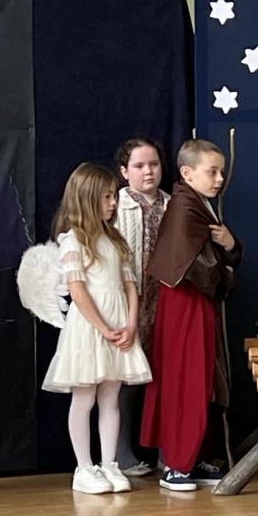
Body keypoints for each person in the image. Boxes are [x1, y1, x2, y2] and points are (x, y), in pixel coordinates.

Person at [42, 163, 151, 494]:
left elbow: (130, 286)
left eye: (113, 196)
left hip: (118, 325)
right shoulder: (73, 240)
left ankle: (109, 463)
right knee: (85, 397)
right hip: (89, 329)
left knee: (110, 398)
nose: (113, 202)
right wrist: (103, 328)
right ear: (87, 198)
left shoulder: (115, 240)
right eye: (106, 197)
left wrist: (130, 324)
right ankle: (84, 468)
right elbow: (77, 289)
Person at [142, 140, 241, 491]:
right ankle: (176, 464)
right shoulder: (186, 208)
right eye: (212, 172)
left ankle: (194, 457)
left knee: (202, 379)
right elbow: (197, 268)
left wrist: (230, 245)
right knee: (186, 378)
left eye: (221, 172)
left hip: (195, 302)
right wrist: (228, 265)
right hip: (186, 303)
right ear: (187, 173)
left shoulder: (196, 205)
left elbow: (212, 258)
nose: (220, 179)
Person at [112, 137, 169, 477]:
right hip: (129, 302)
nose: (148, 172)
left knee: (164, 377)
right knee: (126, 377)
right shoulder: (116, 206)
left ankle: (168, 452)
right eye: (139, 166)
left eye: (154, 164)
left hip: (165, 302)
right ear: (124, 171)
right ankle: (121, 453)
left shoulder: (172, 205)